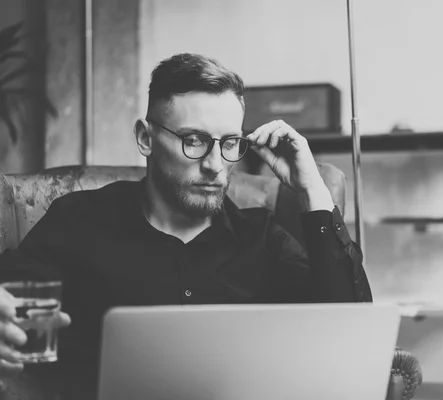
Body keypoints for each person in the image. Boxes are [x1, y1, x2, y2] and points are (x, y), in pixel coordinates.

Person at [0, 53, 372, 398]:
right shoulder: (79, 219)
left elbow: (351, 332)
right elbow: (13, 299)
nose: (214, 164)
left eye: (229, 143)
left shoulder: (261, 237)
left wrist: (312, 192)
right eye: (194, 141)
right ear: (146, 138)